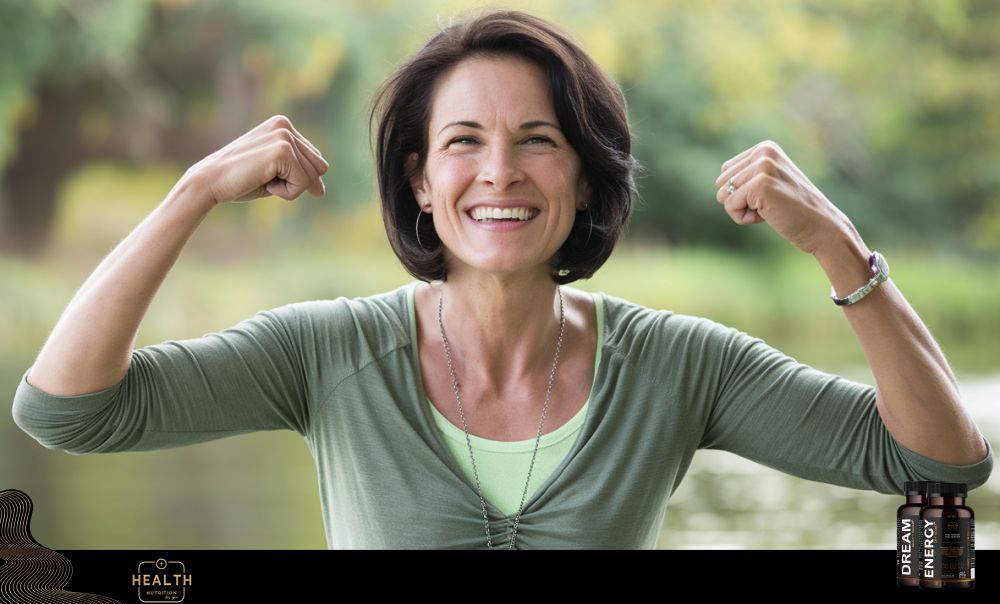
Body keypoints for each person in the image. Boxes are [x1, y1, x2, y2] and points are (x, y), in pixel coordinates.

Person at [11, 9, 992, 550]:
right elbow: (67, 411)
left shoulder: (676, 366)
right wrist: (191, 193)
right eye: (464, 142)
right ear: (421, 182)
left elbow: (939, 463)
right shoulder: (325, 353)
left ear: (586, 174)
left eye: (538, 141)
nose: (499, 174)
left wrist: (833, 242)